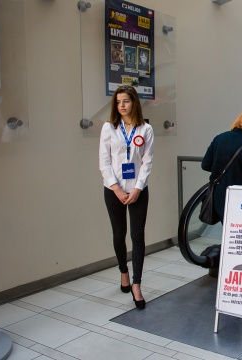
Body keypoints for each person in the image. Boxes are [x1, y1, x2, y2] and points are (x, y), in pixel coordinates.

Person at [99, 85, 154, 309]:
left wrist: (138, 188)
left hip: (138, 189)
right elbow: (104, 162)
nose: (122, 105)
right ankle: (124, 271)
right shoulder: (108, 128)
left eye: (126, 101)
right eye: (118, 101)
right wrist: (117, 189)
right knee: (119, 233)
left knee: (138, 236)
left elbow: (147, 161)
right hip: (114, 190)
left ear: (134, 103)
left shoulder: (145, 129)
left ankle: (136, 284)